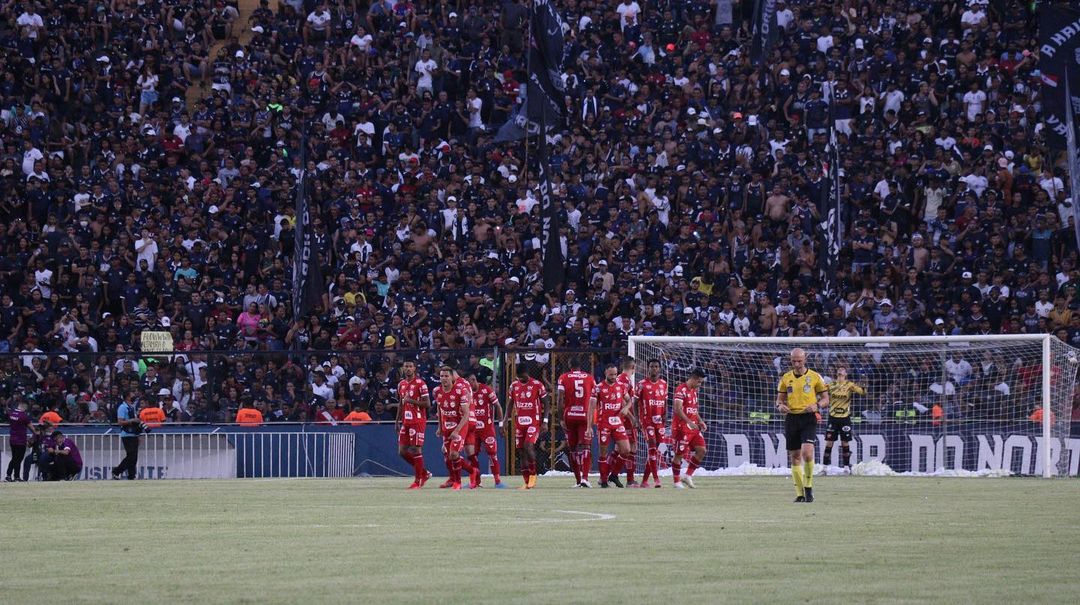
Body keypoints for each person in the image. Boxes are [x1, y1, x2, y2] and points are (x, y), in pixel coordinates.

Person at [776, 348, 829, 502]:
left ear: (805, 359)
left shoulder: (815, 377)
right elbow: (779, 400)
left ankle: (809, 486)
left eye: (800, 361)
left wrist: (818, 405)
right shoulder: (785, 378)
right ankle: (800, 494)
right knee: (795, 457)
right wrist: (780, 406)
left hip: (808, 418)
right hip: (792, 418)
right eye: (794, 361)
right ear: (790, 360)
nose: (797, 364)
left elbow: (826, 399)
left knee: (807, 453)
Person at [433, 366, 478, 490]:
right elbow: (439, 408)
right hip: (447, 425)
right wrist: (440, 427)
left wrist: (457, 430)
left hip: (460, 425)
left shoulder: (460, 390)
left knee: (454, 453)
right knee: (448, 454)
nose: (444, 378)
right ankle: (472, 471)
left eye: (446, 376)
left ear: (452, 377)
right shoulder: (437, 391)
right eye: (441, 376)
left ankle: (457, 482)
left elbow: (466, 414)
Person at [593, 364, 634, 488]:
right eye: (611, 374)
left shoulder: (621, 386)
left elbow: (629, 400)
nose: (613, 377)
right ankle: (604, 481)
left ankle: (614, 475)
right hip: (604, 423)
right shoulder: (598, 388)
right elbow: (592, 407)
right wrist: (590, 425)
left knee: (626, 450)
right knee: (603, 453)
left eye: (615, 374)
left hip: (617, 423)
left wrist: (626, 408)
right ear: (605, 373)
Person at [557, 360, 596, 487]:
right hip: (585, 415)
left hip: (569, 415)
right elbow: (595, 397)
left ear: (570, 366)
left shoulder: (563, 377)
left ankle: (578, 480)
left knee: (572, 449)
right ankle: (585, 478)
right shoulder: (590, 378)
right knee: (586, 447)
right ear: (581, 367)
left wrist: (561, 418)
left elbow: (559, 399)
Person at [508, 366, 548, 489]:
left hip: (533, 422)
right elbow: (510, 404)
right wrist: (504, 421)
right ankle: (527, 482)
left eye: (522, 376)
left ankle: (533, 475)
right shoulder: (514, 386)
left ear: (527, 373)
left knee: (528, 445)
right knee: (521, 451)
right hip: (519, 423)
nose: (520, 379)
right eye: (518, 377)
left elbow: (546, 403)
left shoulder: (537, 384)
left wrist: (545, 421)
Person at [466, 372, 505, 488]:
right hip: (472, 429)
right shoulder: (466, 393)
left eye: (472, 380)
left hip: (487, 429)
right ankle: (475, 482)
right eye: (468, 381)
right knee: (472, 455)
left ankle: (497, 481)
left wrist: (501, 424)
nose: (471, 383)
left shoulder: (486, 390)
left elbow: (498, 406)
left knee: (492, 454)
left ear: (476, 380)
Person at [397, 360, 432, 489]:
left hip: (417, 421)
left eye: (410, 366)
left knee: (416, 449)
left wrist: (410, 400)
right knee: (402, 451)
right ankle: (424, 473)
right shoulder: (401, 384)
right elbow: (401, 403)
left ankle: (418, 481)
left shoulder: (420, 383)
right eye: (406, 366)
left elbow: (427, 404)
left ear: (414, 368)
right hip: (405, 421)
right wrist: (397, 421)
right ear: (402, 368)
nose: (408, 369)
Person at [671, 369, 707, 489]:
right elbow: (678, 409)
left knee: (702, 450)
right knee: (679, 455)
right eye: (699, 382)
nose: (700, 384)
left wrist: (700, 421)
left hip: (693, 427)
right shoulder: (681, 390)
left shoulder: (694, 391)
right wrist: (689, 422)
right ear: (694, 378)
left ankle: (687, 475)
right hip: (681, 428)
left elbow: (694, 409)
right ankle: (676, 482)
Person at [636, 359, 668, 488]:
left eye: (656, 366)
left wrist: (665, 416)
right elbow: (634, 402)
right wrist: (637, 419)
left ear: (659, 369)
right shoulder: (642, 384)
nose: (654, 369)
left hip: (659, 421)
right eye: (651, 366)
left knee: (654, 450)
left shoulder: (664, 384)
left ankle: (644, 481)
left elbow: (665, 402)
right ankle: (656, 479)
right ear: (648, 368)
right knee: (652, 446)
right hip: (646, 420)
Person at [824, 366, 865, 469]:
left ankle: (846, 468)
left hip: (845, 418)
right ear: (836, 373)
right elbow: (821, 391)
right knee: (829, 443)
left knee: (845, 443)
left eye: (843, 370)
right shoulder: (831, 385)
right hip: (832, 417)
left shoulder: (849, 385)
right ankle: (824, 467)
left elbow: (862, 392)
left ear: (846, 374)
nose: (840, 371)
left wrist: (863, 385)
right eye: (839, 369)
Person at [614, 358, 638, 486]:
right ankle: (630, 480)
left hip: (621, 418)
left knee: (618, 449)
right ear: (633, 367)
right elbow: (622, 401)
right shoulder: (624, 379)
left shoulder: (622, 378)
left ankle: (605, 477)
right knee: (632, 448)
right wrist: (631, 417)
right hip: (625, 419)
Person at [112, 389, 142, 480]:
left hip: (133, 434)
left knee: (134, 456)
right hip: (127, 434)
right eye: (132, 393)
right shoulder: (122, 407)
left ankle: (131, 476)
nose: (134, 395)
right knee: (131, 455)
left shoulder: (131, 407)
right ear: (128, 397)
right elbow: (120, 422)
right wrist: (132, 420)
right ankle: (117, 471)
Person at [6, 399, 32, 481]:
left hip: (12, 439)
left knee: (14, 458)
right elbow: (31, 427)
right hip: (21, 440)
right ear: (25, 406)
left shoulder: (11, 413)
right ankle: (16, 477)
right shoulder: (24, 416)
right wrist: (37, 433)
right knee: (18, 459)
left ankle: (9, 476)